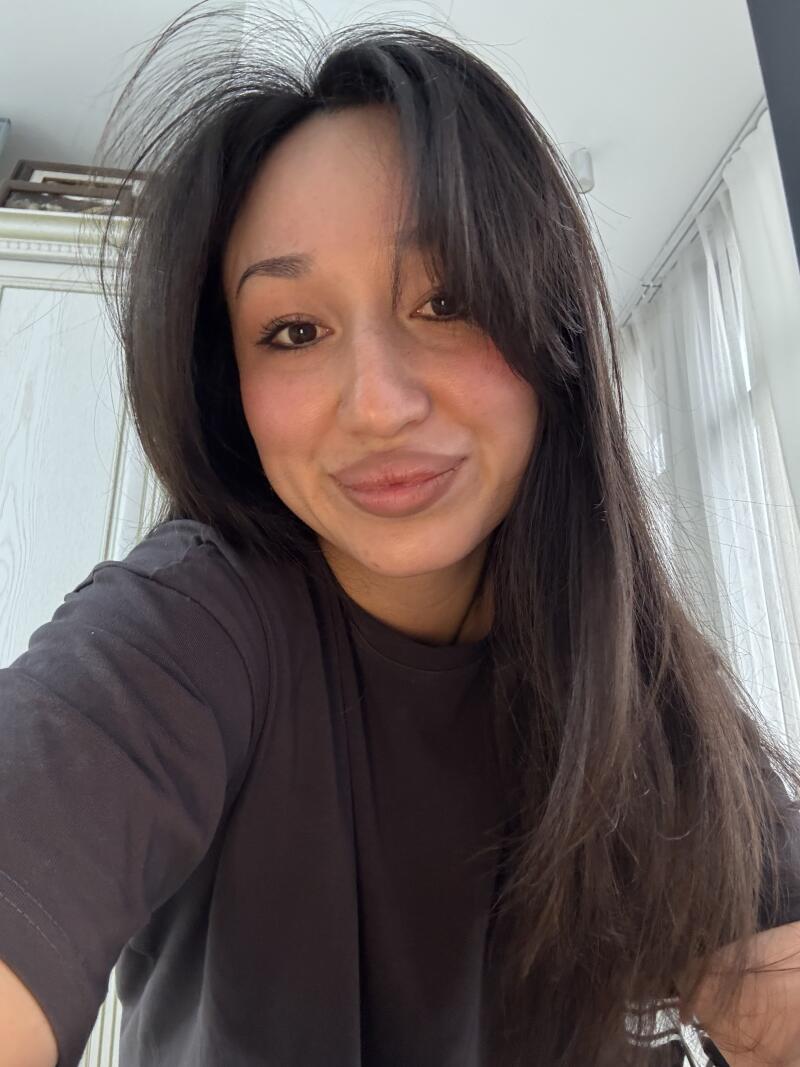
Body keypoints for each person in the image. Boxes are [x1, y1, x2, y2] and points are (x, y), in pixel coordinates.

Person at [2, 5, 800, 1066]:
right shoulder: (188, 626)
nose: (376, 403)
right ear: (226, 384)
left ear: (550, 328)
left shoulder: (640, 679)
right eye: (293, 330)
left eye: (447, 299)